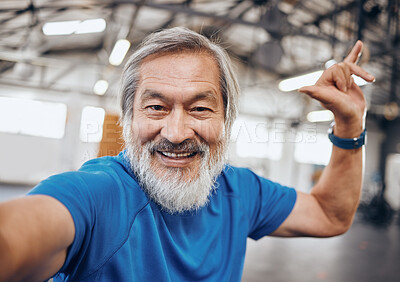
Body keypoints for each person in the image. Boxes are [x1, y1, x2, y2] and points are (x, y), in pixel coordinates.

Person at [0, 27, 375, 281]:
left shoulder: (238, 191)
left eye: (199, 109)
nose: (177, 133)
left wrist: (349, 125)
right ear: (129, 120)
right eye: (156, 108)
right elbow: (14, 237)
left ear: (225, 120)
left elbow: (330, 215)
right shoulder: (101, 195)